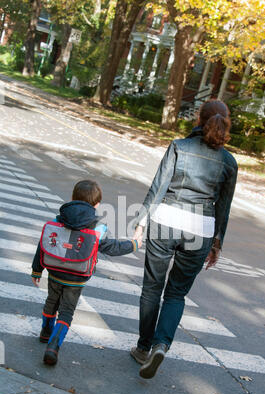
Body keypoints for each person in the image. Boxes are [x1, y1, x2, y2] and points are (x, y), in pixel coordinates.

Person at [131, 99, 238, 379]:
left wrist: (141, 221)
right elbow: (223, 207)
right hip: (200, 228)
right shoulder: (229, 162)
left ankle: (143, 347)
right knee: (176, 293)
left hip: (166, 219)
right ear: (225, 123)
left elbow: (159, 186)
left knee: (152, 288)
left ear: (198, 119)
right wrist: (217, 243)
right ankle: (161, 344)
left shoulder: (179, 146)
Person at [32, 180, 142, 366]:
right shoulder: (97, 226)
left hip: (55, 270)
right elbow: (112, 247)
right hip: (77, 276)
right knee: (67, 310)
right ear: (97, 204)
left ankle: (45, 332)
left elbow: (43, 244)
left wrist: (37, 269)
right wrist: (134, 244)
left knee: (51, 301)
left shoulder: (60, 218)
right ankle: (53, 346)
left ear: (73, 198)